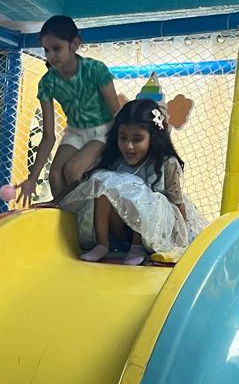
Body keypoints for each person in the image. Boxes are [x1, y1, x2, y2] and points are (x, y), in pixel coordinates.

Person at [59, 98, 206, 264]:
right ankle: (102, 244)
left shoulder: (166, 163)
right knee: (102, 183)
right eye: (123, 138)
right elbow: (85, 185)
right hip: (121, 230)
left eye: (137, 139)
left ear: (153, 137)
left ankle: (137, 247)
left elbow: (177, 202)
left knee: (141, 192)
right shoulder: (115, 161)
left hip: (155, 231)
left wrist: (183, 238)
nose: (129, 146)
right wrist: (57, 201)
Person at [16, 15, 120, 204]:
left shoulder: (95, 69)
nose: (50, 56)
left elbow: (116, 112)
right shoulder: (47, 83)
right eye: (46, 50)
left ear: (74, 44)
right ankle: (67, 216)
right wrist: (32, 178)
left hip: (104, 130)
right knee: (55, 176)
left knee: (73, 170)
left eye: (57, 48)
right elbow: (49, 136)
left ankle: (80, 211)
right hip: (76, 132)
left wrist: (116, 146)